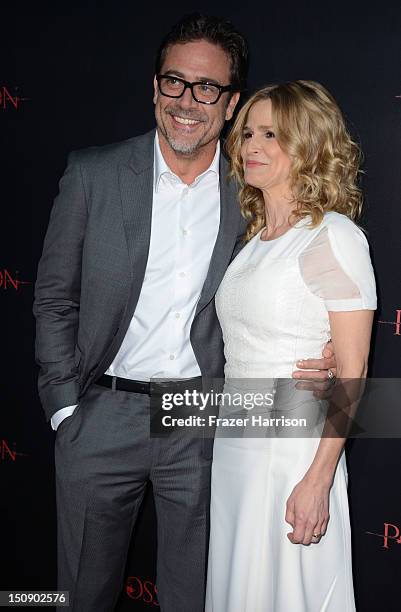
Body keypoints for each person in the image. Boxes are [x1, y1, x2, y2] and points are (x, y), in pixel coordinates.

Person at [32, 14, 337, 612]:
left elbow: (293, 276)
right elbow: (53, 297)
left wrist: (329, 349)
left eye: (207, 88)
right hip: (101, 414)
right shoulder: (93, 174)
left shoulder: (250, 190)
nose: (187, 101)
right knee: (78, 596)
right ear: (154, 89)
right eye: (174, 82)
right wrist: (65, 408)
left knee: (194, 596)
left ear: (231, 105)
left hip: (201, 420)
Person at [205, 80, 377, 611]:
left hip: (293, 453)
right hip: (236, 450)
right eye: (249, 132)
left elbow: (353, 371)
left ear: (307, 143)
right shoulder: (254, 239)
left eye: (272, 134)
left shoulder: (333, 236)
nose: (251, 145)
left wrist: (319, 478)